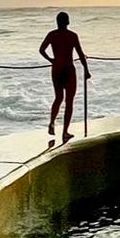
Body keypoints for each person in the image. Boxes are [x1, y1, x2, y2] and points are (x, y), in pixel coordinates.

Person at [40, 11, 90, 143]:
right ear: (68, 22)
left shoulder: (52, 35)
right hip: (68, 69)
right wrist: (86, 70)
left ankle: (52, 122)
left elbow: (41, 50)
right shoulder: (72, 36)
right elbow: (80, 54)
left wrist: (51, 60)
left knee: (58, 97)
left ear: (57, 22)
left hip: (56, 68)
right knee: (69, 101)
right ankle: (65, 131)